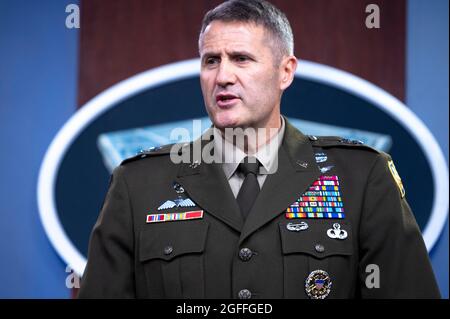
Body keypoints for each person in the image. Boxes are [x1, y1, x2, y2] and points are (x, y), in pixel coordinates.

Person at [78, 0, 440, 299]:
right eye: (211, 60)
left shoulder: (361, 178)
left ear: (285, 71)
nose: (222, 77)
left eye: (241, 59)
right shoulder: (139, 184)